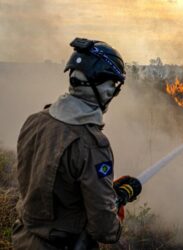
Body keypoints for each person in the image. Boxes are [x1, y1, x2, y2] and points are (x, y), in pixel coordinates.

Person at [12, 38, 142, 249]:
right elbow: (103, 229)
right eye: (112, 86)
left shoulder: (35, 121)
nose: (112, 93)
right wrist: (112, 208)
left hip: (24, 240)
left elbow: (50, 188)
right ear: (99, 85)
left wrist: (108, 194)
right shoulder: (91, 145)